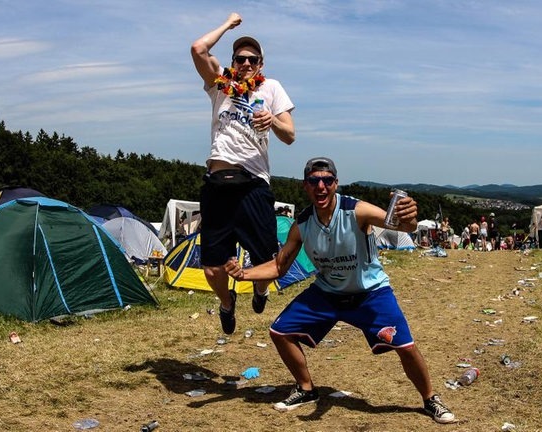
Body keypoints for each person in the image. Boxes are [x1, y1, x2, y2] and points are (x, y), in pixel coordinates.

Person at [224, 157, 456, 424]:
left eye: (327, 180)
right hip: (327, 293)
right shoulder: (302, 225)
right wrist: (244, 274)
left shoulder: (357, 211)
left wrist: (409, 217)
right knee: (280, 331)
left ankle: (430, 399)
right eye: (314, 181)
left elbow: (400, 226)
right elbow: (279, 266)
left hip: (370, 293)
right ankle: (306, 388)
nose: (320, 186)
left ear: (335, 184)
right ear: (305, 186)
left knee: (405, 346)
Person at [191, 12, 296, 334]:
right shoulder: (220, 86)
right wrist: (228, 24)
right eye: (240, 58)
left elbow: (290, 135)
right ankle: (227, 303)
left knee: (265, 257)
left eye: (253, 59)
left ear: (261, 64)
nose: (246, 63)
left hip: (253, 182)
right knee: (212, 268)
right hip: (218, 180)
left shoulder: (273, 87)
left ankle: (260, 290)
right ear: (233, 62)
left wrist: (273, 122)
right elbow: (198, 48)